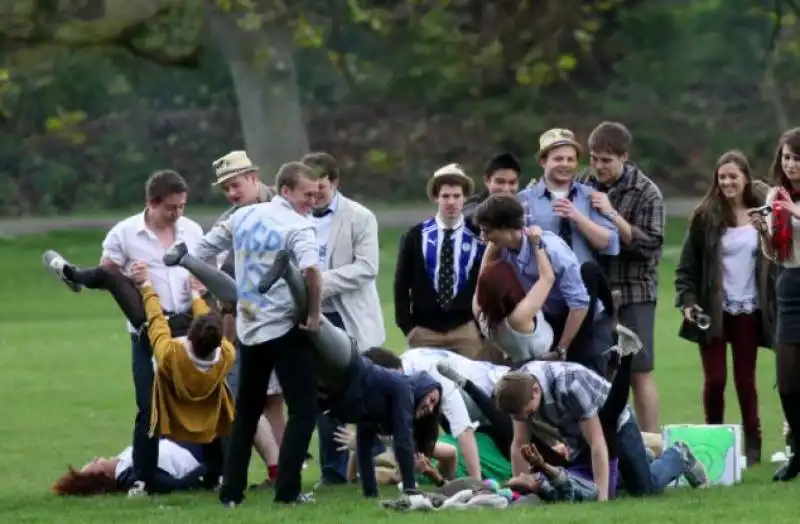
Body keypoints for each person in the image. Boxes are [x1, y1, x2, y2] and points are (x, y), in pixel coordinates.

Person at [45, 170, 204, 496]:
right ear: (152, 203)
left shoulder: (192, 230)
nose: (178, 214)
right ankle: (143, 478)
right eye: (171, 208)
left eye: (182, 206)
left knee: (204, 397)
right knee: (148, 406)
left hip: (185, 325)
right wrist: (136, 278)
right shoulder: (125, 233)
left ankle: (216, 470)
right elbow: (109, 277)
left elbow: (207, 267)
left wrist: (200, 286)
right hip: (147, 325)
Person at [189, 161, 322, 506]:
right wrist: (314, 312)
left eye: (316, 194)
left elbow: (202, 253)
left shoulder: (240, 218)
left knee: (247, 411)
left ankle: (231, 492)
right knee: (304, 409)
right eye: (307, 194)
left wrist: (230, 288)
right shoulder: (298, 226)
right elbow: (311, 271)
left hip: (249, 328)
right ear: (286, 191)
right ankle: (288, 491)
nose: (313, 201)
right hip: (285, 327)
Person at [674, 150, 774, 466]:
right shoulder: (706, 217)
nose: (728, 182)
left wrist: (767, 230)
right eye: (722, 177)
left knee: (746, 381)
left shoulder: (764, 211)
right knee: (715, 380)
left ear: (746, 177)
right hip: (714, 311)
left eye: (733, 176)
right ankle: (715, 440)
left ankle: (754, 445)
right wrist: (688, 301)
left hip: (749, 308)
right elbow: (686, 268)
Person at [494, 361, 708, 502]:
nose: (527, 418)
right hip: (576, 437)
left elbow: (598, 442)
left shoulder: (570, 385)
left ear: (535, 391)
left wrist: (602, 498)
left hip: (615, 427)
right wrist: (518, 491)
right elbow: (520, 442)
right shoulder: (517, 390)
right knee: (597, 485)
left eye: (529, 413)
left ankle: (679, 456)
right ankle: (641, 459)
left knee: (644, 489)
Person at [302, 151, 386, 486]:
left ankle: (377, 461)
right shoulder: (295, 215)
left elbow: (367, 267)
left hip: (350, 317)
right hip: (313, 318)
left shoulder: (359, 216)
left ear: (335, 182)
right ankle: (333, 472)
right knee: (323, 396)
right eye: (309, 188)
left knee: (363, 393)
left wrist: (319, 283)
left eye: (321, 187)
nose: (315, 194)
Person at [580, 121, 666, 434]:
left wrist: (612, 213)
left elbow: (649, 247)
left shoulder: (647, 192)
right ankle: (608, 447)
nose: (598, 166)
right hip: (595, 295)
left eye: (606, 160)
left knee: (638, 372)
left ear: (624, 157)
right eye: (594, 158)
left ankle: (651, 444)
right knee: (599, 372)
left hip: (634, 293)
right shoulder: (584, 183)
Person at [474, 194, 612, 375]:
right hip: (547, 322)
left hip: (579, 322)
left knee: (583, 381)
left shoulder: (552, 249)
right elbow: (483, 280)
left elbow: (579, 304)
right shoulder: (502, 249)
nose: (482, 237)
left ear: (507, 228)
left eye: (487, 231)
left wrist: (562, 349)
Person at [209, 150, 283, 489]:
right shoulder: (229, 221)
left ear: (253, 177)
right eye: (226, 189)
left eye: (235, 185)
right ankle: (276, 469)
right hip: (241, 319)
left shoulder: (284, 209)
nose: (232, 194)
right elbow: (218, 272)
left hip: (281, 317)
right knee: (243, 396)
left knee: (276, 398)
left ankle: (285, 470)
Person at [394, 164, 487, 359]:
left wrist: (479, 327)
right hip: (424, 331)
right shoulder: (416, 235)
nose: (451, 202)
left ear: (465, 198)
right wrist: (408, 326)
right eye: (445, 196)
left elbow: (486, 282)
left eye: (456, 196)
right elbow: (401, 283)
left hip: (466, 330)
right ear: (436, 197)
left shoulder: (478, 236)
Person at [752, 127, 800, 481]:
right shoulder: (775, 193)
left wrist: (792, 212)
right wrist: (763, 232)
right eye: (786, 157)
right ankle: (798, 448)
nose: (791, 164)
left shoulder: (787, 201)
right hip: (788, 283)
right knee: (786, 380)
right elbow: (775, 252)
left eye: (797, 158)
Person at [516, 128, 619, 265]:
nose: (565, 164)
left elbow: (609, 244)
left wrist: (578, 218)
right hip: (540, 281)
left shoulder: (591, 196)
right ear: (543, 161)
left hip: (583, 282)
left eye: (570, 159)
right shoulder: (524, 200)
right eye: (558, 159)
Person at [474, 226, 556, 362]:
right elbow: (547, 277)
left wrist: (494, 241)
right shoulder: (519, 317)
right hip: (540, 359)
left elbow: (483, 274)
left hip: (512, 357)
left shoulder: (479, 310)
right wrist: (536, 242)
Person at [52, 439, 219, 496]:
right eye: (94, 462)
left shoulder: (122, 462)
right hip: (195, 451)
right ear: (101, 474)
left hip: (180, 438)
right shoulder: (132, 476)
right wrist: (211, 469)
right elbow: (174, 484)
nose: (96, 457)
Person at [463, 152, 522, 230]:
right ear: (486, 180)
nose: (506, 189)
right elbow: (469, 216)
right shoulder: (473, 204)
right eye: (500, 182)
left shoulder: (523, 205)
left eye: (512, 183)